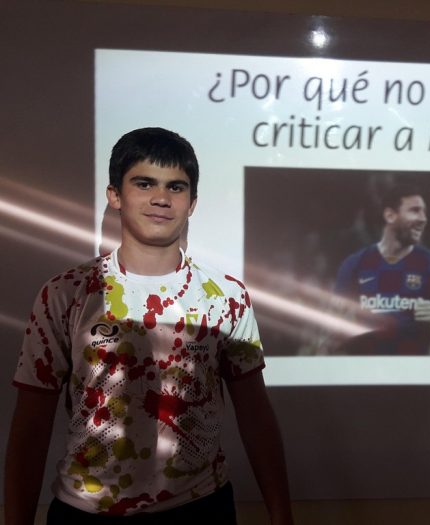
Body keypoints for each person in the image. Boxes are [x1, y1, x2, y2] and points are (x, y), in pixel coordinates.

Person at [4, 128, 294, 524]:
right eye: (144, 184)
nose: (161, 198)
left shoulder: (225, 296)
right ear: (115, 195)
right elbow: (31, 424)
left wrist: (281, 514)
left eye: (176, 187)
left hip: (200, 507)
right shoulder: (66, 293)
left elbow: (255, 414)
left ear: (192, 203)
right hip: (86, 510)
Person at [333, 183, 430, 355]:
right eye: (415, 210)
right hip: (366, 366)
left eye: (424, 212)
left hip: (412, 367)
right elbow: (334, 318)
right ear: (390, 215)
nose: (423, 218)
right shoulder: (355, 263)